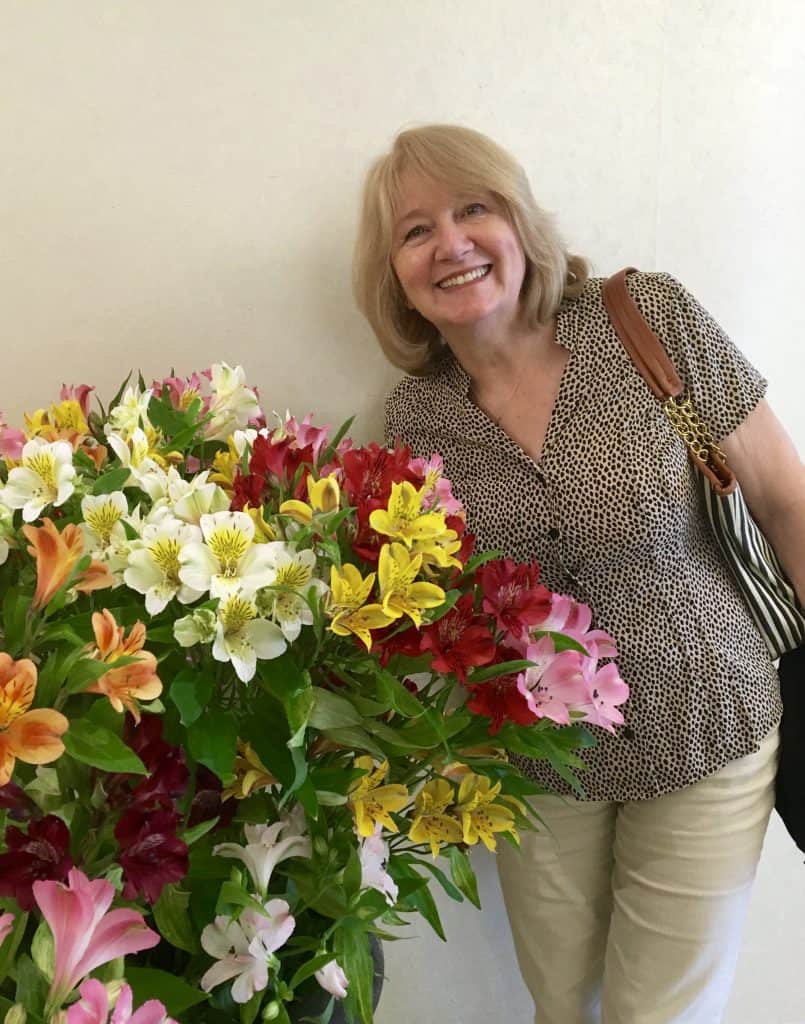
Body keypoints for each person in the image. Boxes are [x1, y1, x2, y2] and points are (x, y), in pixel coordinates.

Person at [352, 123, 805, 1023]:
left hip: (708, 721)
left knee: (659, 1016)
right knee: (563, 1007)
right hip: (539, 767)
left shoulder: (648, 319)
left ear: (517, 220)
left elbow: (784, 498)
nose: (450, 244)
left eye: (471, 209)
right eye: (414, 231)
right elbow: (426, 615)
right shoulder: (412, 424)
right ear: (394, 273)